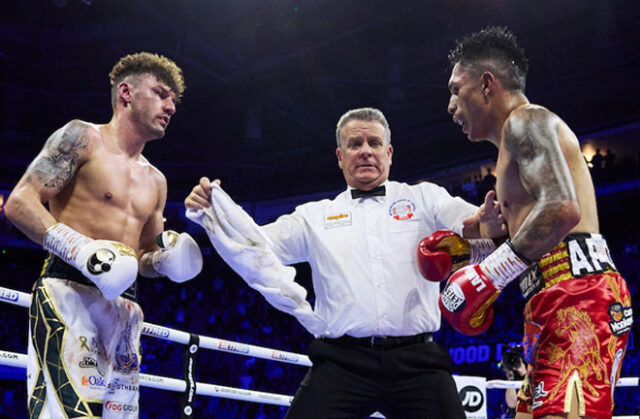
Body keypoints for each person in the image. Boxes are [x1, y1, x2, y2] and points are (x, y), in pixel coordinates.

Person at [185, 107, 506, 418]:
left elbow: (469, 223)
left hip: (417, 362)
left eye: (374, 143)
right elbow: (257, 244)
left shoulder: (425, 199)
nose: (365, 151)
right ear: (340, 157)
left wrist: (485, 222)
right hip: (342, 362)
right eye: (355, 144)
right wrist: (214, 213)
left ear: (389, 152)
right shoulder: (314, 216)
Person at [434, 26, 632, 419]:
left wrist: (490, 272)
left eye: (457, 89)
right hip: (549, 300)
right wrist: (477, 243)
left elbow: (562, 209)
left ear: (486, 83)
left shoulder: (526, 121)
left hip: (578, 296)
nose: (450, 105)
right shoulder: (510, 148)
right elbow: (535, 237)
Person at [5, 52, 203, 418]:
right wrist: (81, 250)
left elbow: (142, 260)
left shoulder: (156, 180)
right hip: (68, 294)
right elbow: (19, 203)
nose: (171, 106)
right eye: (161, 93)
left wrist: (166, 260)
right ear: (126, 93)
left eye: (173, 99)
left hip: (125, 310)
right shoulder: (83, 138)